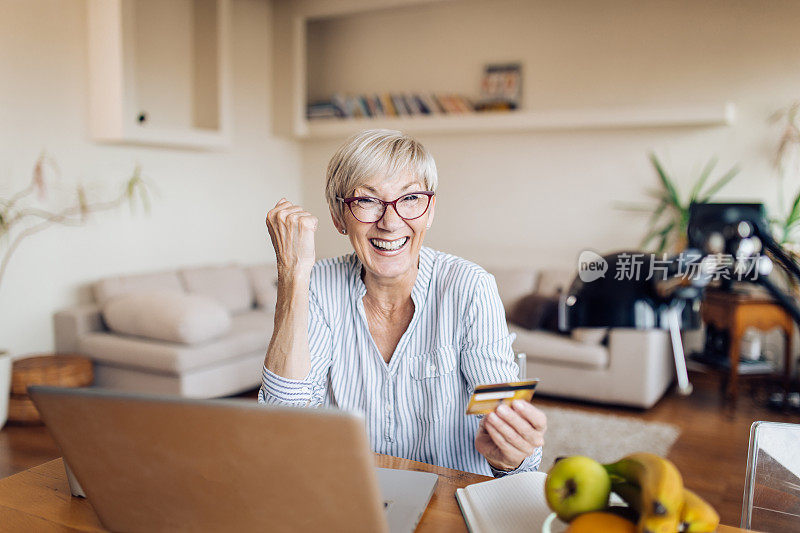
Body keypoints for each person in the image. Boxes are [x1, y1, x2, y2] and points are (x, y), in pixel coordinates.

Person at [259, 129, 546, 476]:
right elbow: (282, 425)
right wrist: (292, 273)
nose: (391, 222)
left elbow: (518, 458)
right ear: (338, 216)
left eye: (410, 199)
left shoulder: (470, 287)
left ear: (430, 210)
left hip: (450, 499)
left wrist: (510, 455)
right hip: (352, 496)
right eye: (367, 201)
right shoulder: (317, 285)